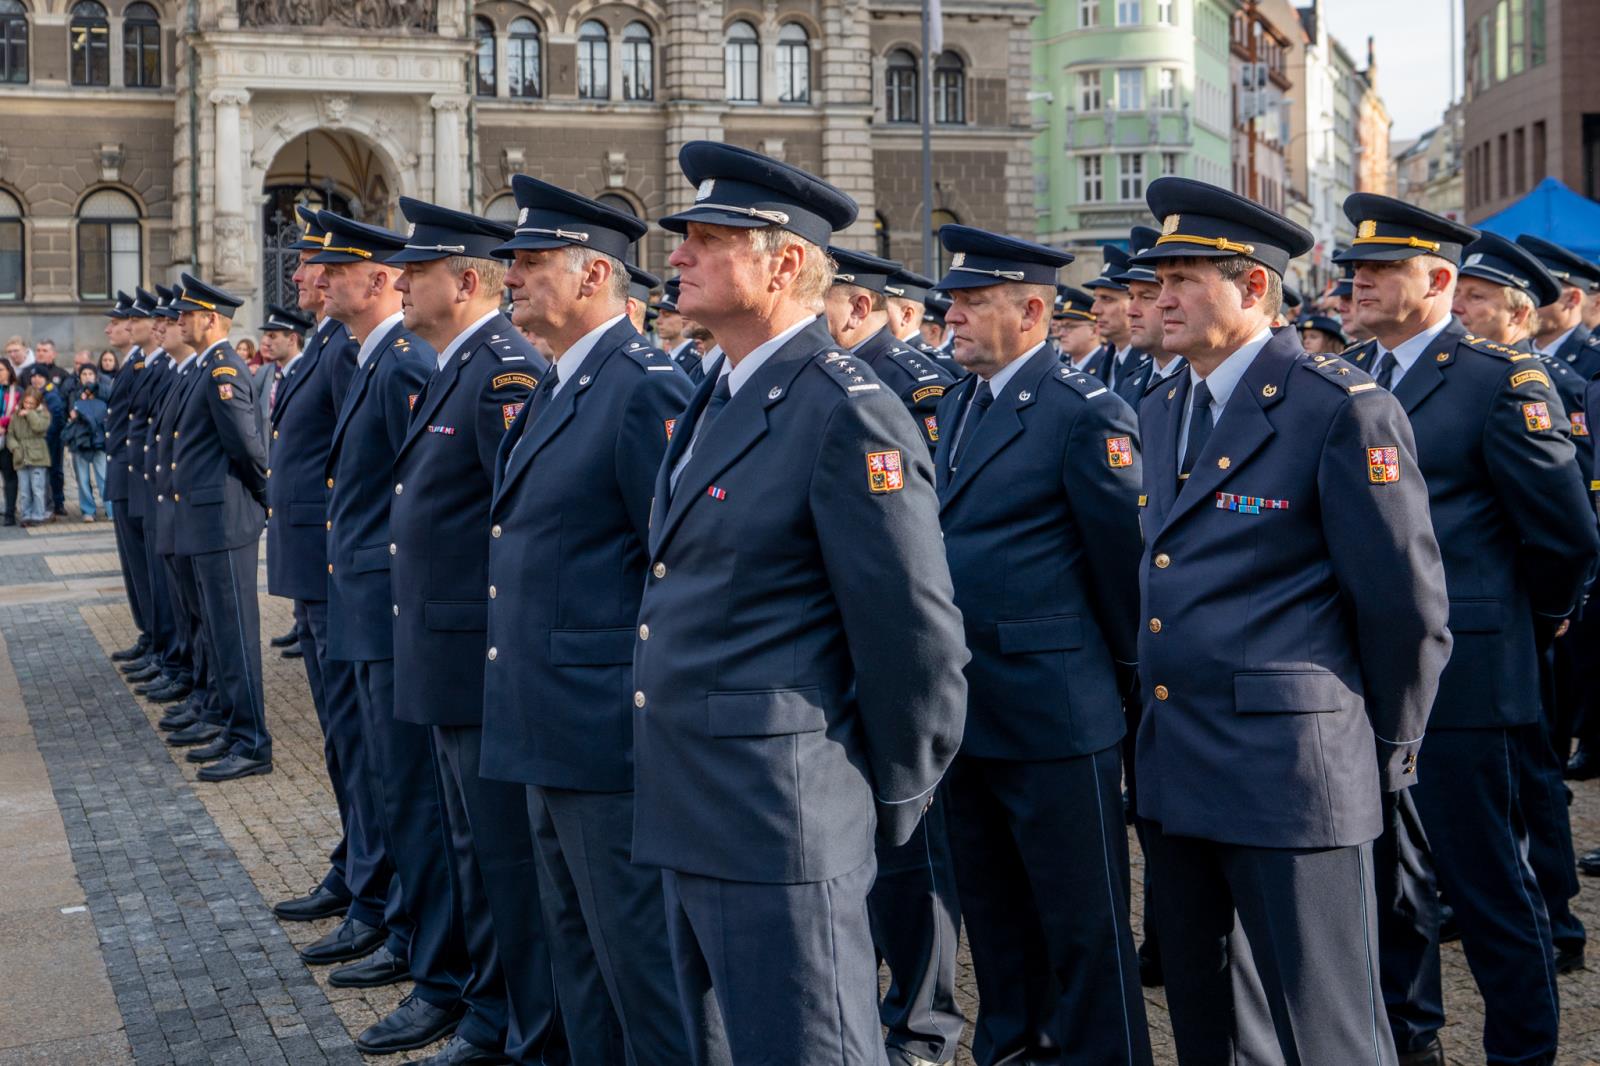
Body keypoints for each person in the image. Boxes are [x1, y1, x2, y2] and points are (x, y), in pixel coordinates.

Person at [634, 140, 968, 1065]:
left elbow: (916, 638)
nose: (678, 254)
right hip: (696, 803)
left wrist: (886, 797)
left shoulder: (843, 406)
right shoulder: (720, 390)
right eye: (684, 237)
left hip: (784, 820)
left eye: (708, 237)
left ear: (784, 263)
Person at [1133, 177, 1451, 1066]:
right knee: (1210, 1027)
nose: (1162, 297)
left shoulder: (1336, 405)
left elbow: (1406, 604)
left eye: (1187, 278)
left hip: (1293, 777)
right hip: (1179, 758)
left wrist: (1381, 752)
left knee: (1326, 1030)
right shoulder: (1163, 403)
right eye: (1160, 278)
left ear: (1256, 289)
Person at [1338, 195, 1598, 1066]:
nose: (1356, 282)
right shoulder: (1352, 373)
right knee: (1389, 885)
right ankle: (1410, 1041)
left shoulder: (1500, 379)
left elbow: (1562, 533)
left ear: (1439, 280)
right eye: (1355, 269)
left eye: (1378, 270)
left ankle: (1521, 1053)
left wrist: (1539, 619)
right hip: (1368, 668)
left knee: (1487, 886)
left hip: (1470, 670)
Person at [483, 175, 695, 1065]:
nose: (512, 279)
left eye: (533, 264)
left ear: (597, 275)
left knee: (643, 971)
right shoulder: (560, 381)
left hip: (606, 729)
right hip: (548, 722)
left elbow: (673, 565)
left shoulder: (641, 386)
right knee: (579, 959)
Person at [932, 224, 1153, 1066]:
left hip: (1056, 713)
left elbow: (1122, 572)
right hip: (973, 712)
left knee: (1082, 929)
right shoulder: (958, 403)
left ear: (1031, 310)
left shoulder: (1083, 413)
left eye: (970, 301)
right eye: (951, 299)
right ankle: (1011, 1053)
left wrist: (1114, 688)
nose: (949, 314)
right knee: (995, 927)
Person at [385, 195, 561, 1066]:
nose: (400, 285)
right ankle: (492, 1011)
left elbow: (512, 527)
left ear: (462, 281)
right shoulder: (455, 362)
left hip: (477, 655)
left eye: (414, 273)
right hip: (445, 652)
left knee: (502, 859)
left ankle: (516, 1026)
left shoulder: (500, 370)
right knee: (472, 850)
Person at [311, 210, 476, 1056]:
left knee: (416, 798)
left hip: (405, 613)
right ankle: (406, 928)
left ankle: (430, 956)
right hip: (379, 606)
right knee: (390, 783)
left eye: (334, 270)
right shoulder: (386, 360)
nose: (314, 280)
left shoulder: (409, 364)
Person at [821, 245, 963, 1065]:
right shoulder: (836, 377)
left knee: (913, 854)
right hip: (854, 641)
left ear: (858, 304)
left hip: (900, 635)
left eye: (828, 298)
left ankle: (924, 1019)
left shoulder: (903, 379)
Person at [1449, 232, 1590, 984]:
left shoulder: (1531, 381)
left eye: (1474, 300)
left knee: (1531, 774)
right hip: (1496, 617)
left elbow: (1563, 521)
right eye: (1460, 295)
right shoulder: (1460, 377)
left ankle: (1556, 914)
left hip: (1523, 615)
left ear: (1515, 315)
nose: (1460, 308)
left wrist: (1539, 611)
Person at [266, 206, 378, 939]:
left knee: (357, 741)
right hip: (315, 566)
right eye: (308, 264)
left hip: (336, 569)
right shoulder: (323, 344)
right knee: (342, 741)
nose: (302, 275)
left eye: (319, 265)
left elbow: (355, 468)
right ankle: (356, 862)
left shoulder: (344, 350)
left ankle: (370, 876)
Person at [165, 275, 271, 783]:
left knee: (235, 635)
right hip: (207, 518)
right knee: (218, 631)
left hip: (225, 519)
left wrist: (263, 497)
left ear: (211, 320)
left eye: (188, 314)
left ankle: (253, 741)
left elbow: (248, 447)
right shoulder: (208, 366)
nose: (180, 320)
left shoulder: (224, 367)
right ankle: (232, 727)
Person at [20, 338, 70, 517]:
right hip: (34, 439)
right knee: (37, 474)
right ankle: (41, 505)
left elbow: (58, 415)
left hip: (51, 438)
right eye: (38, 350)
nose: (35, 379)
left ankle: (57, 503)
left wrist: (49, 434)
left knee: (54, 471)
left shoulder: (59, 379)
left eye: (45, 350)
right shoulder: (28, 378)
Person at [64, 364, 109, 521]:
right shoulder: (75, 394)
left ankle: (110, 509)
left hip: (99, 440)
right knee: (82, 478)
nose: (87, 376)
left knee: (103, 476)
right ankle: (87, 510)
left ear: (96, 376)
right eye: (84, 374)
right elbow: (71, 413)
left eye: (90, 373)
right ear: (79, 377)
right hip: (80, 440)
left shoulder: (103, 391)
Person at [7, 387, 51, 526]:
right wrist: (14, 447)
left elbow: (39, 427)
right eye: (26, 403)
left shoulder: (44, 414)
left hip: (37, 455)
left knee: (37, 488)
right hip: (21, 456)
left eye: (32, 404)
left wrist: (30, 413)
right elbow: (10, 434)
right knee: (24, 489)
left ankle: (38, 515)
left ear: (38, 403)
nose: (28, 406)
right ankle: (26, 515)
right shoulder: (16, 415)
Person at [0, 358, 20, 524]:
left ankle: (10, 513)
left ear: (8, 371)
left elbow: (19, 414)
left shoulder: (17, 391)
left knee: (10, 477)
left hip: (9, 439)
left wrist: (3, 425)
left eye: (1, 369)